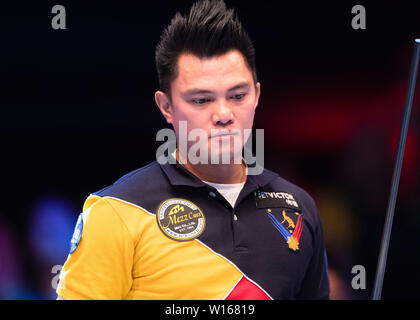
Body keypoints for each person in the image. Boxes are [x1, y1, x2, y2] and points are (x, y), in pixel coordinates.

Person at [56, 0, 330, 300]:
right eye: (202, 100)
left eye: (238, 95)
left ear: (257, 95)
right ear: (166, 107)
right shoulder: (116, 211)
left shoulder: (298, 208)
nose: (224, 113)